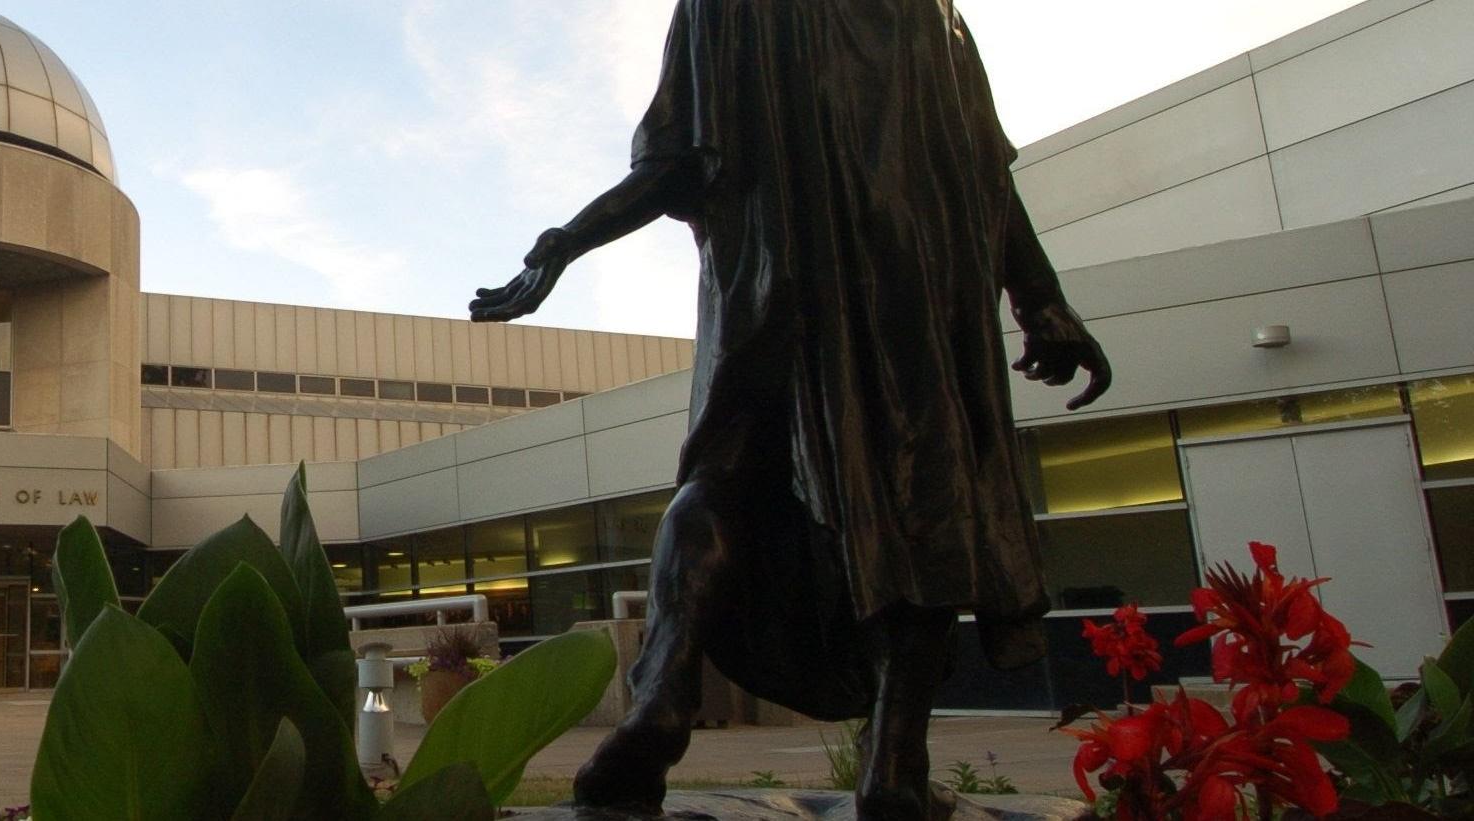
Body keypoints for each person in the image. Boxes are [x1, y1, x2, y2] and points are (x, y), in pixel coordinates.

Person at [467, 1, 1111, 818]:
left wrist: (567, 239)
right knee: (922, 498)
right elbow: (983, 169)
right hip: (914, 300)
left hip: (771, 291)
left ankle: (661, 696)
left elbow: (676, 159)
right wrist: (1042, 298)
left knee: (721, 479)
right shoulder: (928, 15)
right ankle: (893, 765)